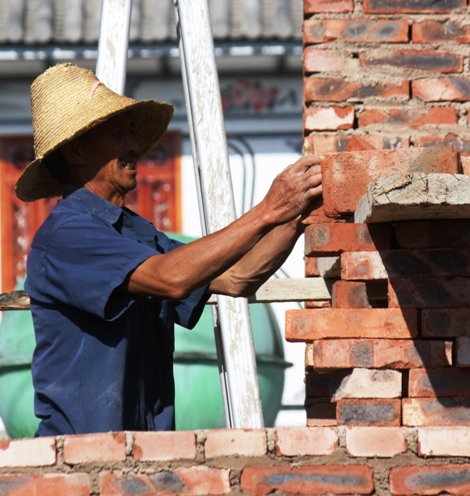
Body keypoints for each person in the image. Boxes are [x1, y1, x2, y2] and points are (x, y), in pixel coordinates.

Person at [15, 63, 322, 436]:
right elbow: (172, 278)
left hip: (144, 455)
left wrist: (295, 215)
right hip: (80, 461)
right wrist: (268, 210)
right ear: (77, 151)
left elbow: (237, 278)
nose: (133, 146)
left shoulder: (135, 232)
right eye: (118, 134)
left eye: (131, 132)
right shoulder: (66, 235)